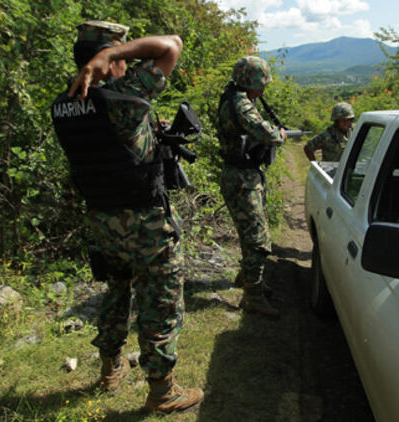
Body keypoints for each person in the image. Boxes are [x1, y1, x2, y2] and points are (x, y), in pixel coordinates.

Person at [50, 21, 203, 414]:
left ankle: (110, 369)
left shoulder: (65, 102)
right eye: (121, 54)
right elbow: (172, 44)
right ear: (108, 60)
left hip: (101, 221)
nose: (127, 61)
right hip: (146, 223)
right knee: (161, 302)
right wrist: (114, 54)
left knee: (116, 292)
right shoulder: (125, 93)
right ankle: (162, 390)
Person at [216, 56, 286, 317]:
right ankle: (252, 296)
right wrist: (280, 135)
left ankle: (247, 277)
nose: (264, 89)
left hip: (241, 175)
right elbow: (265, 134)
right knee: (257, 237)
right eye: (261, 83)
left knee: (249, 231)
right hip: (242, 178)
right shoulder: (242, 104)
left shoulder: (233, 97)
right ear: (249, 82)